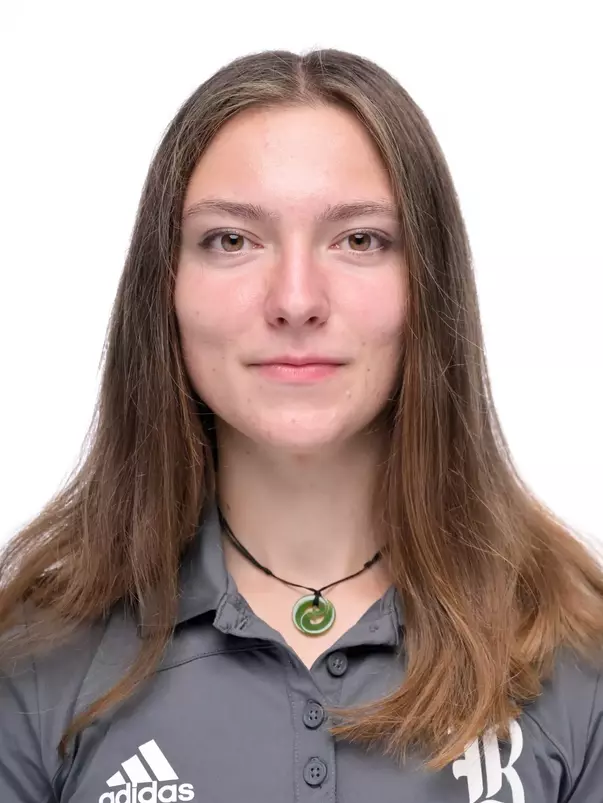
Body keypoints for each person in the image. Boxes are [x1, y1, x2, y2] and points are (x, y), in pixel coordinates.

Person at [1, 48, 602, 803]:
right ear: (166, 288)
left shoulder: (577, 653)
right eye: (231, 239)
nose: (294, 299)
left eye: (359, 239)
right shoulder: (33, 660)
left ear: (429, 286)